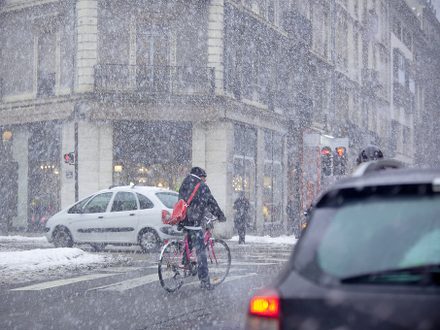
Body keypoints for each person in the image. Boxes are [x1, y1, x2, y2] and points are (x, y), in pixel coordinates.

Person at [179, 166, 226, 290]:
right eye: (204, 178)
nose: (205, 181)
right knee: (201, 252)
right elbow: (211, 202)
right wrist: (220, 215)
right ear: (201, 176)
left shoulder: (185, 182)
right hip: (194, 221)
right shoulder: (201, 186)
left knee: (189, 240)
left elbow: (183, 201)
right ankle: (205, 281)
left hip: (184, 220)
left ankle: (186, 263)